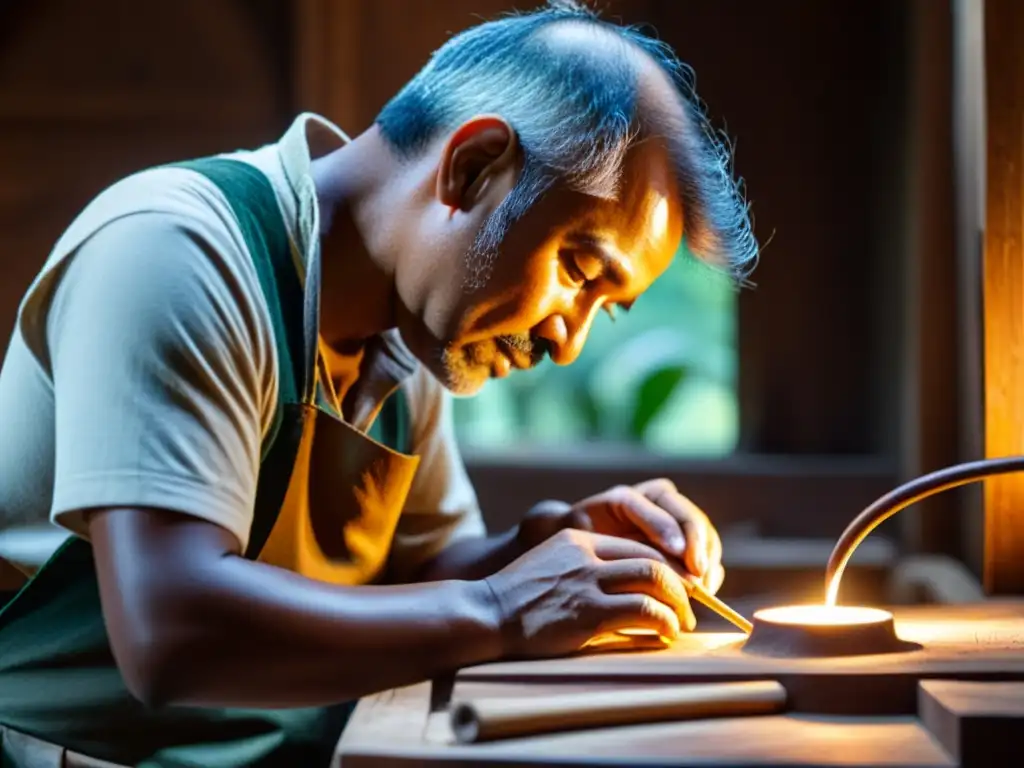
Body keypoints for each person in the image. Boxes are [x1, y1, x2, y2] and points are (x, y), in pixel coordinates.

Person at [0, 2, 757, 766]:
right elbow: (171, 633)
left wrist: (551, 545)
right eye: (579, 273)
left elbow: (418, 579)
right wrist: (501, 606)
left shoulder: (415, 333)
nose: (569, 341)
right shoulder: (176, 251)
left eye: (607, 309)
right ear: (471, 168)